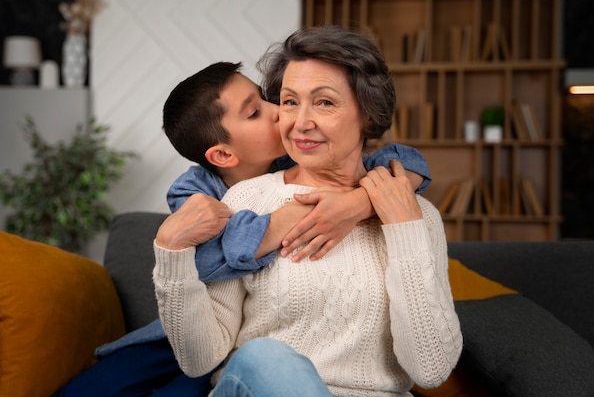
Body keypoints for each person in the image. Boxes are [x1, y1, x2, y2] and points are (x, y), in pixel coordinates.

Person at [53, 60, 432, 397]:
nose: (278, 112)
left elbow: (405, 159)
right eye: (255, 112)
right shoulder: (194, 192)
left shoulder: (302, 156)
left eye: (269, 99)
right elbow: (229, 249)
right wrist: (304, 210)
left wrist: (359, 203)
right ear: (223, 155)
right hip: (184, 335)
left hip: (242, 346)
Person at [153, 25, 462, 397]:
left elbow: (430, 370)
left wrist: (402, 226)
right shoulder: (244, 202)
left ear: (368, 113)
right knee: (266, 358)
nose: (300, 122)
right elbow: (200, 361)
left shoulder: (417, 215)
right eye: (289, 101)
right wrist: (170, 254)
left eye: (325, 102)